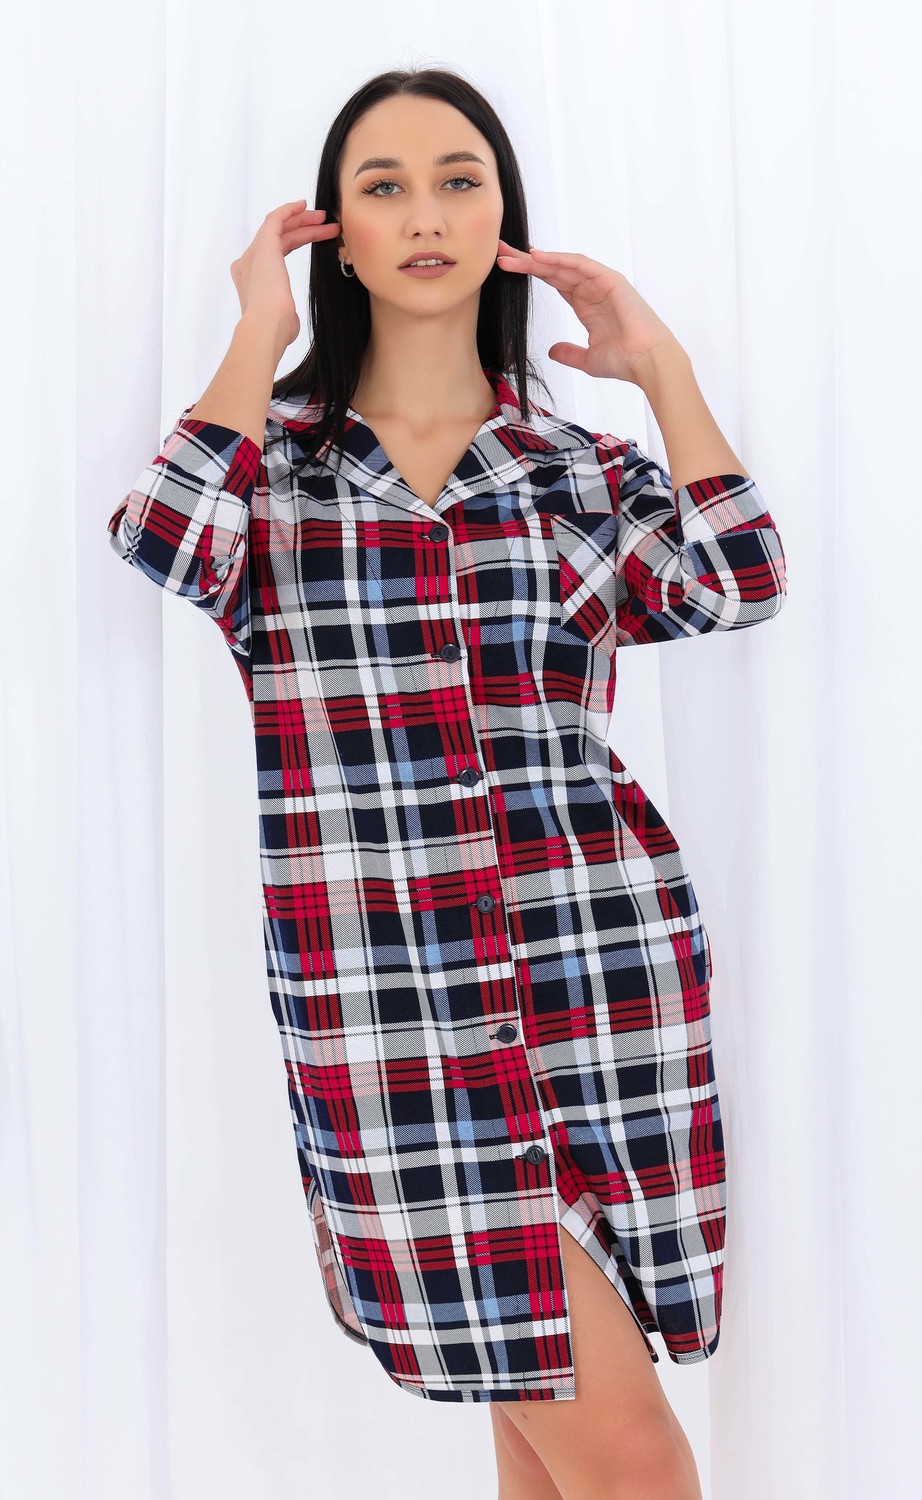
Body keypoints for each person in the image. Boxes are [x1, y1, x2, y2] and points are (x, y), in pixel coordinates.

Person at [107, 66, 787, 1500]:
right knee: (623, 1455)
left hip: (598, 972)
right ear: (335, 235)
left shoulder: (578, 473)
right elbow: (161, 538)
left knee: (552, 1448)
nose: (426, 213)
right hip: (389, 1015)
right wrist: (257, 332)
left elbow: (740, 578)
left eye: (459, 180)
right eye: (385, 186)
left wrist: (662, 367)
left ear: (502, 220)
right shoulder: (272, 478)